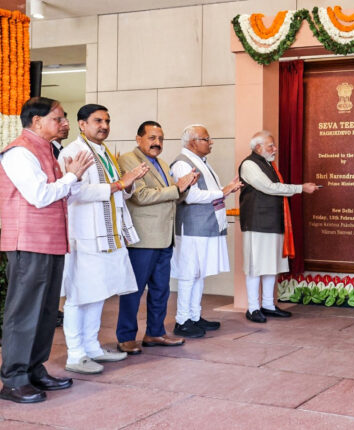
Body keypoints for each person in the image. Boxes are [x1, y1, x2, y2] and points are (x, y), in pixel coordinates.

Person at [0, 97, 93, 403]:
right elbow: (39, 195)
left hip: (50, 240)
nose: (64, 123)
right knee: (24, 311)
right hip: (28, 241)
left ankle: (34, 369)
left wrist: (74, 179)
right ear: (37, 121)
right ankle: (14, 379)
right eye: (58, 118)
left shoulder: (48, 150)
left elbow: (62, 196)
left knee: (46, 311)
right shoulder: (19, 152)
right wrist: (70, 176)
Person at [59, 104, 149, 374]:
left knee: (97, 293)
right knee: (78, 295)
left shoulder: (104, 152)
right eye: (98, 121)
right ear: (82, 124)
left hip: (108, 234)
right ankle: (75, 354)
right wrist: (120, 184)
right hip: (84, 235)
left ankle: (92, 347)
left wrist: (129, 183)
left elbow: (119, 190)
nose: (104, 126)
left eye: (107, 121)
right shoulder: (73, 152)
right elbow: (73, 192)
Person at [115, 121, 199, 355]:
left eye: (160, 138)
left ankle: (155, 332)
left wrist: (185, 187)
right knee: (134, 290)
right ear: (138, 139)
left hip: (164, 237)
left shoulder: (161, 163)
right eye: (152, 138)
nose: (157, 143)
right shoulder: (128, 161)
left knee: (161, 289)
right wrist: (177, 188)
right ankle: (126, 337)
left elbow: (172, 197)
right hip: (143, 238)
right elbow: (140, 196)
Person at [170, 124, 242, 338]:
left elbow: (209, 193)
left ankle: (194, 316)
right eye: (206, 139)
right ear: (192, 142)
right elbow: (191, 196)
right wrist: (223, 191)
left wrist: (223, 190)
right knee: (188, 273)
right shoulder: (182, 163)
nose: (211, 142)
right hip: (192, 227)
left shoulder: (200, 161)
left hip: (205, 225)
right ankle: (182, 321)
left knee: (199, 274)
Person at [238, 131, 317, 323]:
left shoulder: (268, 164)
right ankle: (253, 308)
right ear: (258, 148)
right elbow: (268, 187)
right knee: (255, 267)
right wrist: (300, 188)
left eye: (273, 145)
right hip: (257, 223)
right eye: (270, 146)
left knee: (270, 265)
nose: (275, 149)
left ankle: (268, 305)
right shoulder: (249, 164)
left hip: (273, 221)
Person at [50, 110, 69, 328]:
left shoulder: (63, 151)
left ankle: (59, 308)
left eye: (66, 120)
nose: (65, 125)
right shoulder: (46, 151)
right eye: (59, 120)